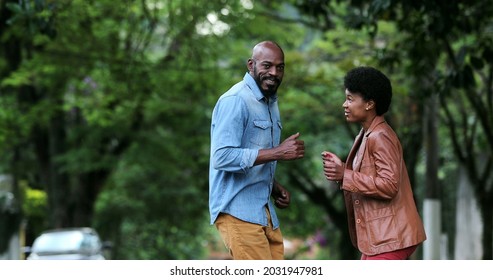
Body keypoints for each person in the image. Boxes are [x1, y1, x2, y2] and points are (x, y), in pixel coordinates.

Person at [209, 41, 305, 260]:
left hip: (264, 211)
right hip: (237, 212)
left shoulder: (269, 101)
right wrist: (279, 152)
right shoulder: (235, 100)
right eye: (267, 65)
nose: (274, 73)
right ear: (251, 65)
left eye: (280, 67)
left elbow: (252, 154)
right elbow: (222, 157)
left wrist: (273, 186)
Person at [321, 66, 426, 260]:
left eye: (350, 99)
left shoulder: (380, 136)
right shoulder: (366, 134)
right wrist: (342, 169)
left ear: (369, 104)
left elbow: (389, 185)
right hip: (381, 238)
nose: (345, 104)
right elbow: (371, 177)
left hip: (392, 236)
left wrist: (345, 174)